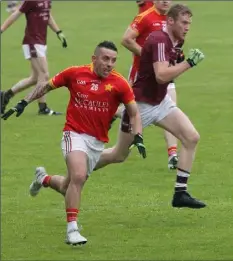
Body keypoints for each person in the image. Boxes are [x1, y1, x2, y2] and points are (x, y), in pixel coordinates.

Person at [1, 41, 146, 245]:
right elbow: (46, 86)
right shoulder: (75, 73)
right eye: (105, 59)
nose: (109, 64)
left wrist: (138, 135)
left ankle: (43, 179)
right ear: (94, 58)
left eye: (113, 60)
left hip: (96, 143)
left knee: (66, 185)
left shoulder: (119, 83)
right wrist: (24, 102)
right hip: (74, 134)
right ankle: (72, 230)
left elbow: (134, 113)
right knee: (78, 177)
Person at [94, 4, 206, 209]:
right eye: (184, 22)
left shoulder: (177, 40)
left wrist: (178, 59)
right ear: (170, 21)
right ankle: (80, 166)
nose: (187, 27)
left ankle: (180, 193)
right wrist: (188, 63)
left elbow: (169, 66)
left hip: (160, 101)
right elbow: (162, 76)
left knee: (192, 137)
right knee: (118, 155)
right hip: (140, 105)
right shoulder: (158, 39)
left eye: (189, 23)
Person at [120, 0, 181, 170]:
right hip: (144, 76)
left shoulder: (173, 19)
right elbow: (126, 39)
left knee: (171, 108)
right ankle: (116, 113)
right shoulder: (145, 17)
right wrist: (148, 55)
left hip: (164, 73)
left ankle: (172, 154)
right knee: (120, 152)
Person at [0, 0, 67, 116]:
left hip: (41, 42)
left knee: (35, 78)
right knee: (44, 75)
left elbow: (47, 15)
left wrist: (58, 31)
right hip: (32, 42)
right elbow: (15, 14)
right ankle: (43, 107)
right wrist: (1, 29)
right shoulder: (30, 1)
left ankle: (6, 95)